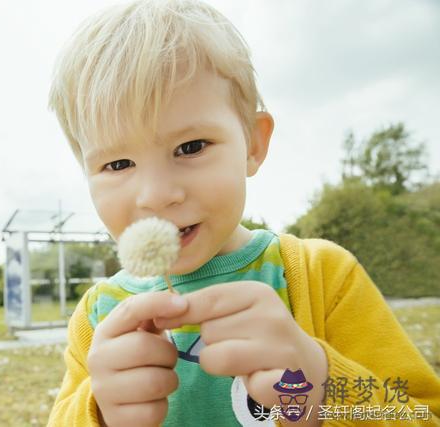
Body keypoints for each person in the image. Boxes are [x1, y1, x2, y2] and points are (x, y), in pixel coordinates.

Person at [46, 1, 440, 426]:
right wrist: (98, 411)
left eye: (191, 147)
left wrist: (321, 391)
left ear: (253, 144)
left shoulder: (322, 276)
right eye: (118, 164)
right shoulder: (96, 317)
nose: (157, 195)